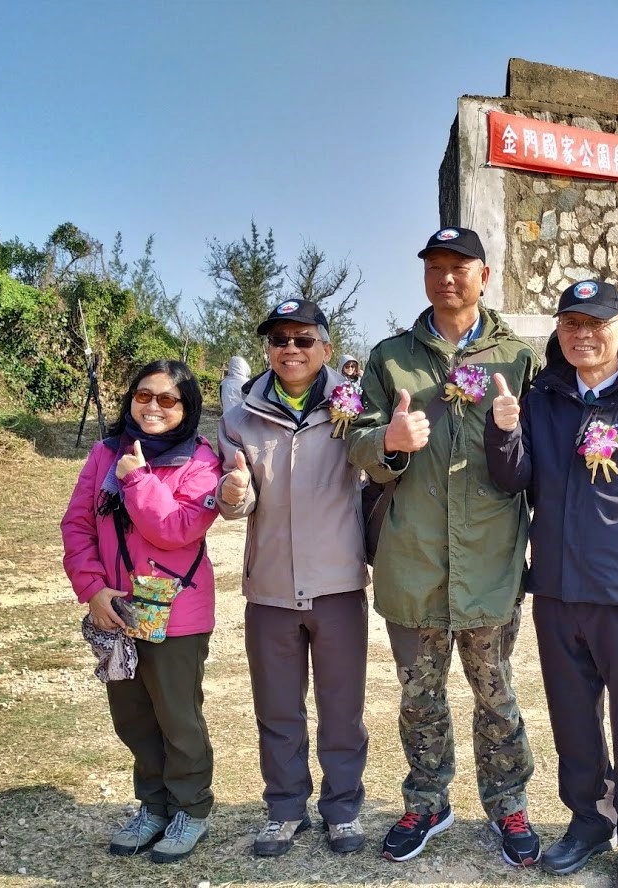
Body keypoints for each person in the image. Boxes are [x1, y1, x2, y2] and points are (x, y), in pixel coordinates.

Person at [484, 280, 618, 888]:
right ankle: (586, 822)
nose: (583, 334)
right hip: (556, 592)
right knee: (573, 723)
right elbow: (513, 481)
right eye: (571, 323)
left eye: (597, 323)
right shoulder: (542, 398)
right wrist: (503, 430)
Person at [346, 226, 542, 866]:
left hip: (489, 562)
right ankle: (426, 800)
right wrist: (390, 441)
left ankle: (508, 804)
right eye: (435, 266)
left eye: (460, 266)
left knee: (497, 693)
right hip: (414, 562)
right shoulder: (390, 358)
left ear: (485, 274)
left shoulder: (519, 360)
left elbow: (535, 460)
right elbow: (359, 446)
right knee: (418, 696)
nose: (447, 277)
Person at [216, 298, 370, 857]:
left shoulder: (354, 406)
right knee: (278, 708)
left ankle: (344, 809)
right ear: (268, 350)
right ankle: (285, 809)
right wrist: (232, 495)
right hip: (272, 590)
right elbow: (235, 500)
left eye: (304, 340)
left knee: (341, 707)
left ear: (326, 348)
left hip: (337, 586)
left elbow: (378, 463)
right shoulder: (239, 419)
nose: (291, 350)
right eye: (280, 340)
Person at [61, 359, 222, 863]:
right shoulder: (103, 453)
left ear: (187, 407)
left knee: (178, 718)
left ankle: (190, 810)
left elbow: (176, 529)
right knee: (132, 716)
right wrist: (93, 591)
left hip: (178, 613)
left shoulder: (201, 461)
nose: (153, 406)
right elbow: (77, 525)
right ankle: (153, 805)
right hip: (116, 612)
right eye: (143, 396)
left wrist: (135, 479)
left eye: (167, 399)